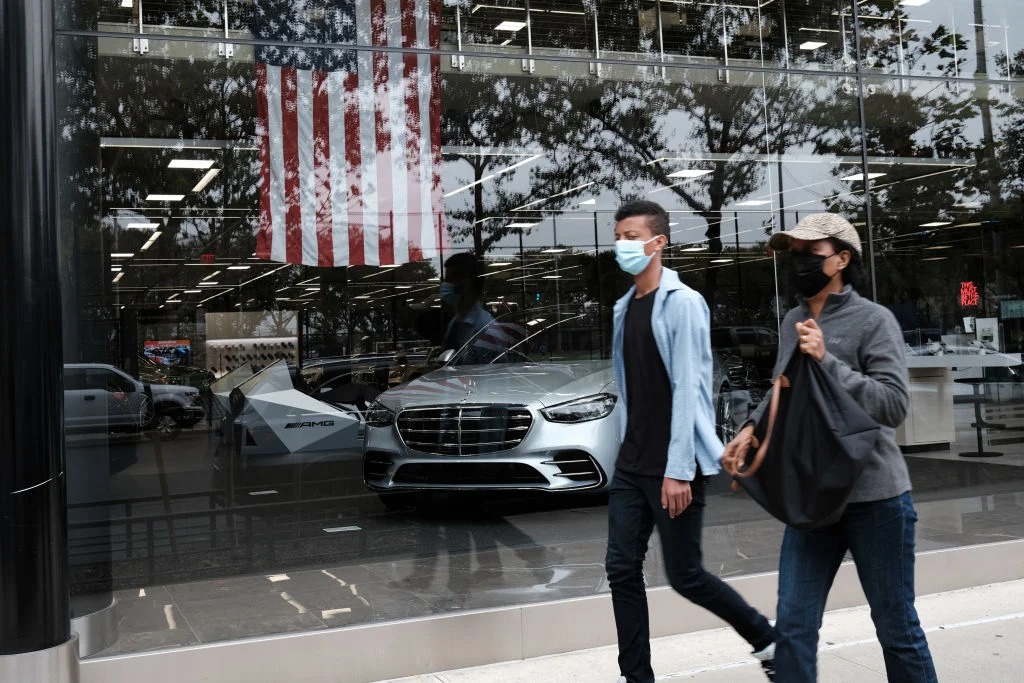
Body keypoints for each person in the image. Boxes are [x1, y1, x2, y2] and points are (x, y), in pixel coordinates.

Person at [722, 212, 937, 682]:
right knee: (794, 627)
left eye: (809, 254)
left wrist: (827, 358)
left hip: (876, 500)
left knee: (897, 629)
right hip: (813, 498)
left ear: (842, 259)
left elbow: (894, 406)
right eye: (793, 254)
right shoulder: (794, 319)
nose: (798, 263)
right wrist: (750, 431)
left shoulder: (873, 320)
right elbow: (784, 388)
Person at [606, 200, 776, 683]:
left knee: (686, 576)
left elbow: (688, 388)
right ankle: (636, 676)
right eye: (618, 235)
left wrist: (678, 469)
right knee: (621, 569)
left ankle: (766, 639)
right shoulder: (624, 307)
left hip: (672, 466)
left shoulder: (683, 303)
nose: (623, 244)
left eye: (633, 236)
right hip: (632, 464)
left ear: (659, 243)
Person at [439, 252, 493, 351]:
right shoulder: (456, 322)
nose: (446, 285)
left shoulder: (484, 329)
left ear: (467, 284)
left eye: (450, 280)